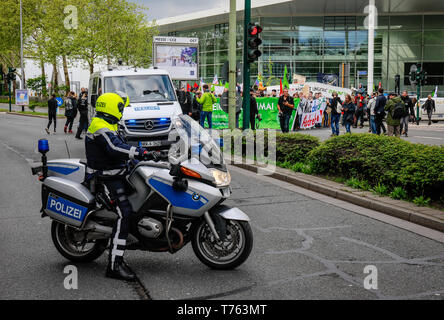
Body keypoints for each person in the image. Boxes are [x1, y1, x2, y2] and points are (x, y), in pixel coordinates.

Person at [85, 92, 160, 281]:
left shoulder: (109, 124)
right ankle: (114, 265)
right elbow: (115, 148)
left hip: (117, 174)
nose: (122, 111)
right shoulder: (99, 127)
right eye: (120, 107)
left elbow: (123, 144)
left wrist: (149, 153)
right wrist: (140, 152)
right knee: (124, 212)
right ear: (110, 106)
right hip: (104, 179)